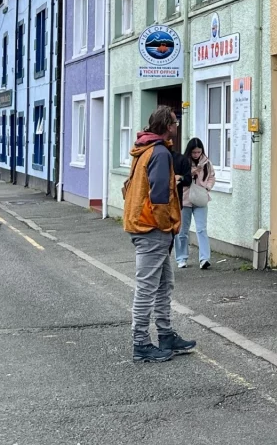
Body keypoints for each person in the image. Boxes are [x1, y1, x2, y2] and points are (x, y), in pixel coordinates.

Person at [122, 106, 196, 363]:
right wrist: (168, 226)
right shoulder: (161, 153)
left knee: (164, 283)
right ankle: (141, 342)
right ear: (167, 126)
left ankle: (165, 335)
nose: (177, 127)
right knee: (147, 287)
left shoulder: (142, 149)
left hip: (140, 224)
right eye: (174, 122)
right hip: (152, 228)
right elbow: (160, 197)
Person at [175, 137, 215, 270]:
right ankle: (181, 258)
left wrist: (207, 188)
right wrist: (190, 173)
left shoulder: (206, 162)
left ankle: (205, 259)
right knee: (182, 231)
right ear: (189, 152)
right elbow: (178, 178)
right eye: (194, 152)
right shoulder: (183, 161)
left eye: (199, 152)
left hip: (201, 198)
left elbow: (211, 177)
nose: (197, 155)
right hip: (185, 198)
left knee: (201, 229)